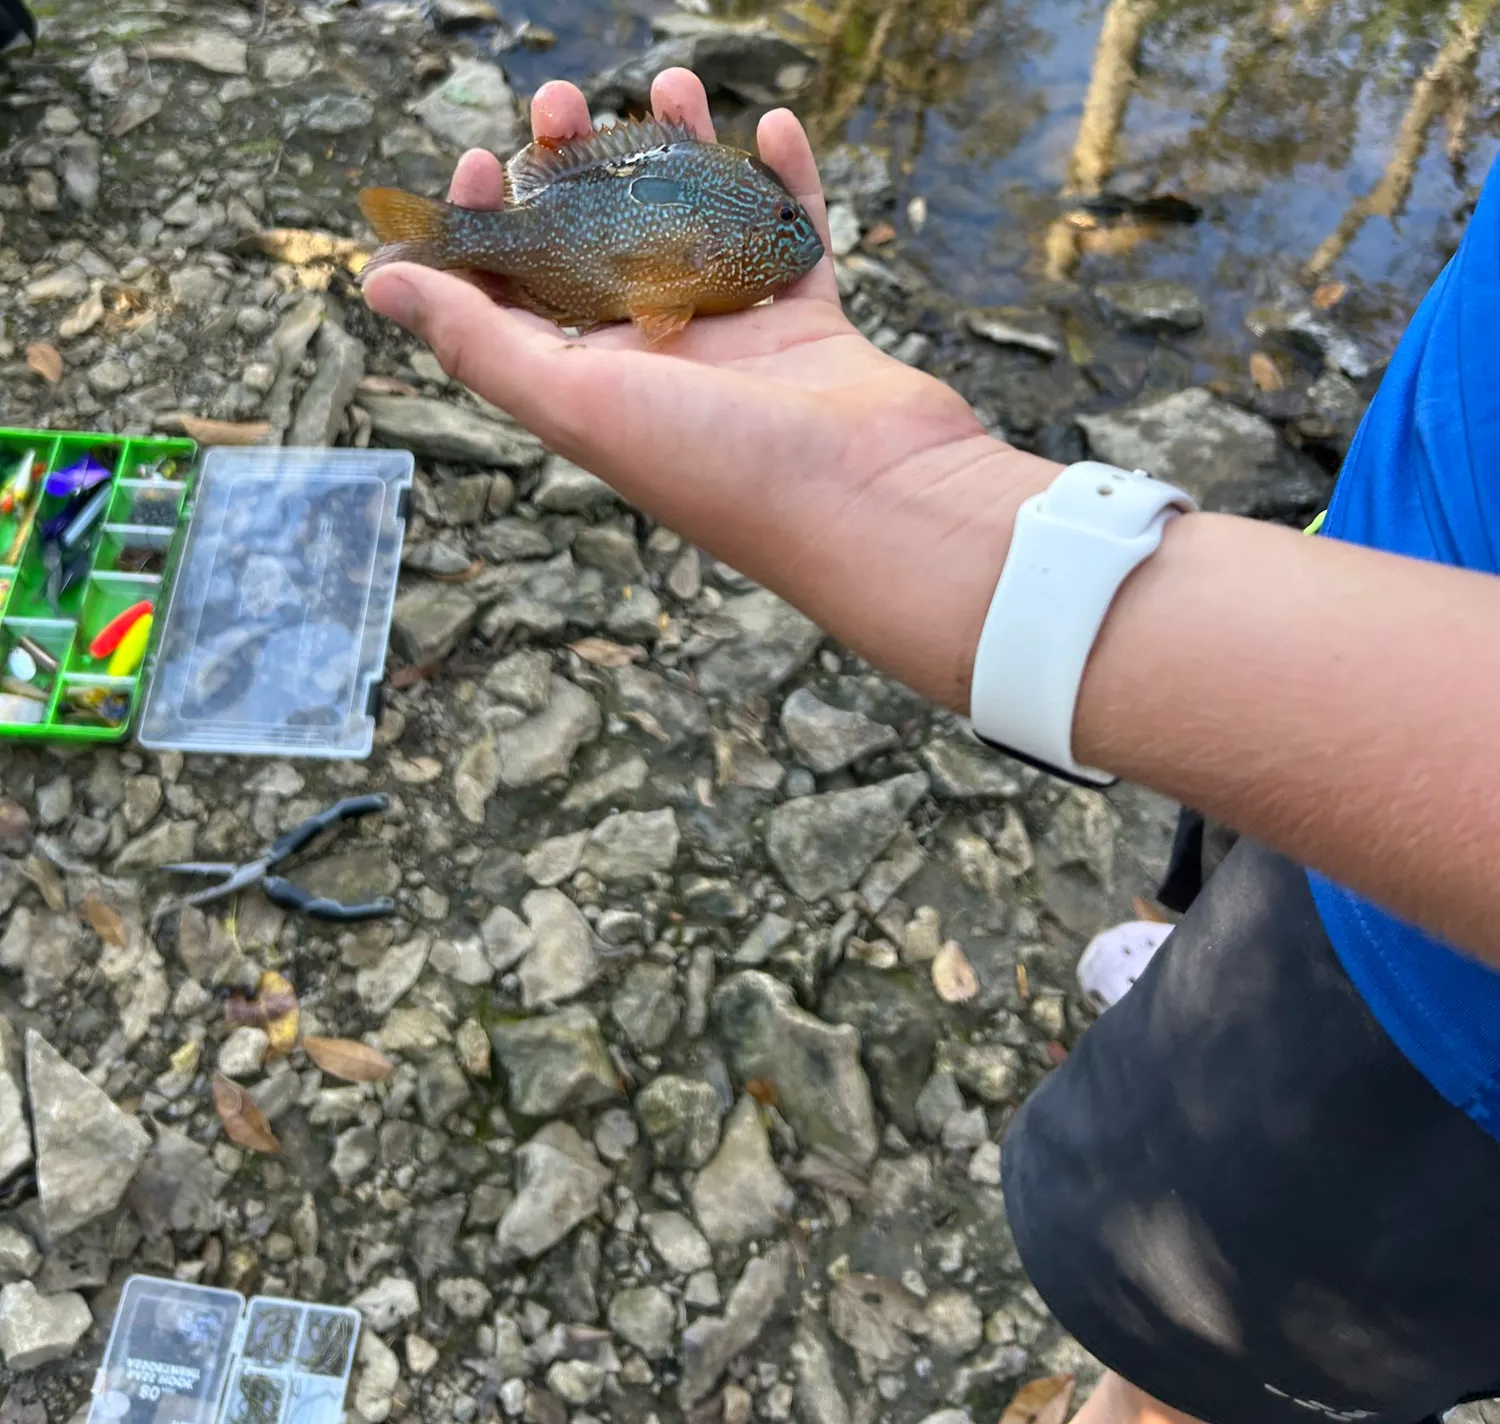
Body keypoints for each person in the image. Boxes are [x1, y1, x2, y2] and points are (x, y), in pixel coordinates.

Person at [363, 69, 1500, 1424]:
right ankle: (1195, 947)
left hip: (1439, 1024)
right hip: (1358, 576)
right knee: (1241, 846)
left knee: (1196, 1337)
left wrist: (946, 527)